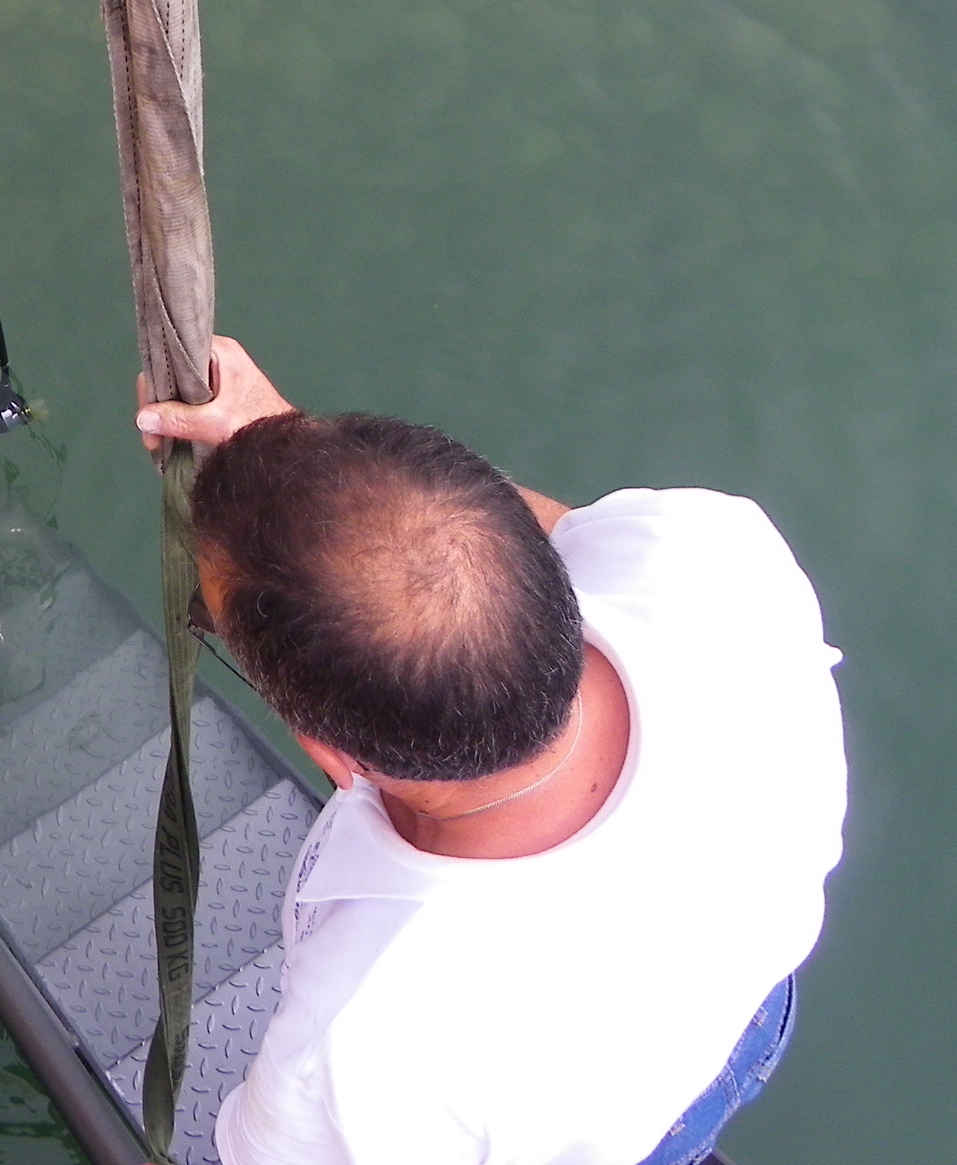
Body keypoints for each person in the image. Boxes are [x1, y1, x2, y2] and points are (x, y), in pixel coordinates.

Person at [137, 337, 846, 1165]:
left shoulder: (356, 1047)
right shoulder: (711, 563)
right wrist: (288, 440)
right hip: (739, 1009)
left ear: (331, 754)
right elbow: (523, 543)